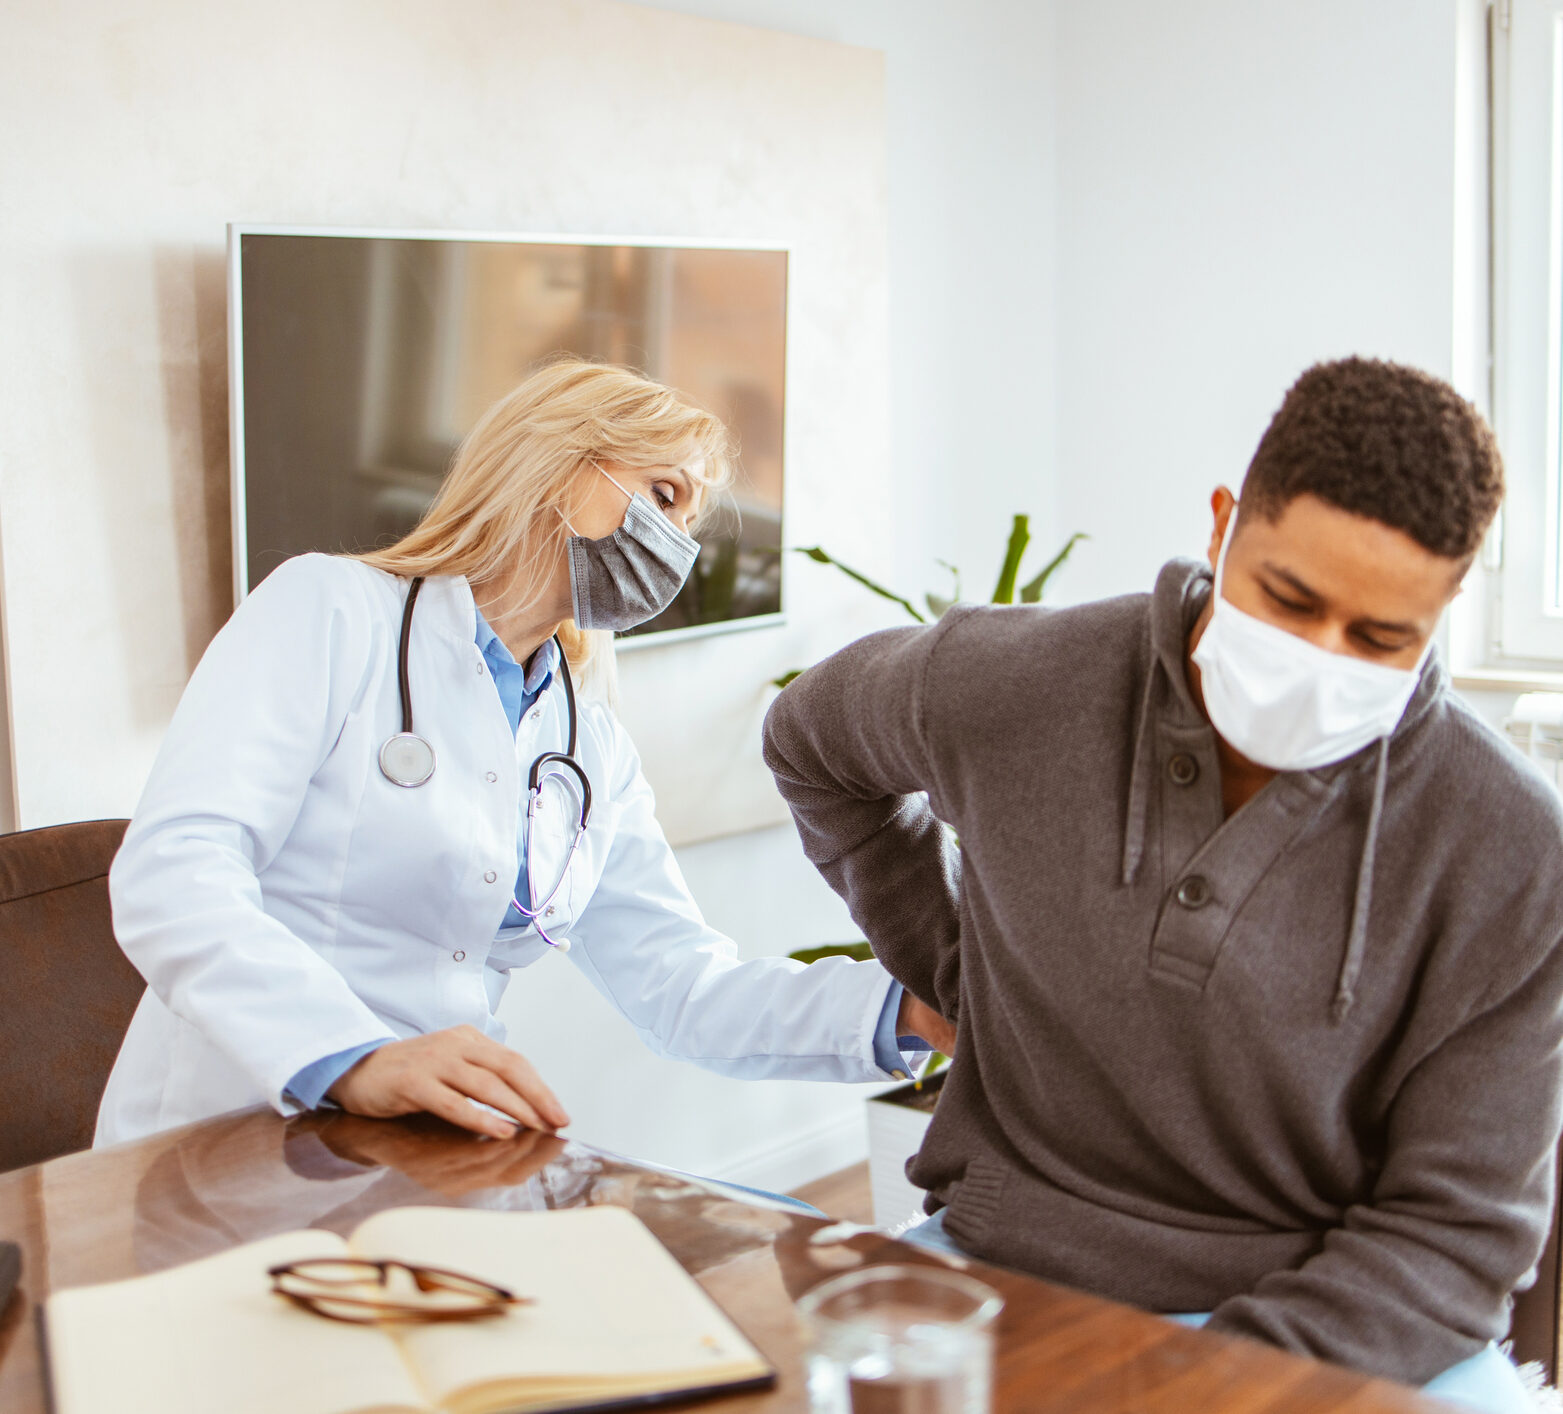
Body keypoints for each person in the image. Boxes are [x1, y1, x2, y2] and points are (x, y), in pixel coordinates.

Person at [762, 357, 1563, 1409]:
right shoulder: (1009, 683)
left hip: (1337, 1320)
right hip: (1002, 1265)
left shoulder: (1513, 848)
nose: (1319, 659)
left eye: (1379, 639)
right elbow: (811, 744)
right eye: (1289, 598)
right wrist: (958, 972)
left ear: (1444, 611)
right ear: (1226, 523)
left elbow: (1453, 1235)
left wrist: (1199, 1382)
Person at [98, 358, 950, 1148]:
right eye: (662, 493)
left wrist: (909, 1007)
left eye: (688, 521)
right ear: (556, 464)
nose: (677, 546)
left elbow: (683, 989)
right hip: (235, 1120)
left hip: (430, 1140)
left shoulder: (587, 741)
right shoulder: (330, 610)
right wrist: (353, 1056)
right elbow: (176, 871)